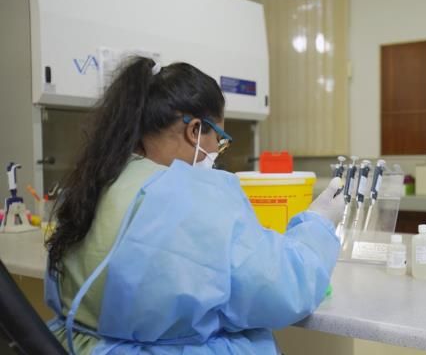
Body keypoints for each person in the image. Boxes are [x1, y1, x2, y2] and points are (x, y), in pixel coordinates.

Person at [45, 57, 345, 354]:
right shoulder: (196, 198)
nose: (217, 151)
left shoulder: (95, 180)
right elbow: (283, 289)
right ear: (195, 131)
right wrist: (317, 225)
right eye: (221, 139)